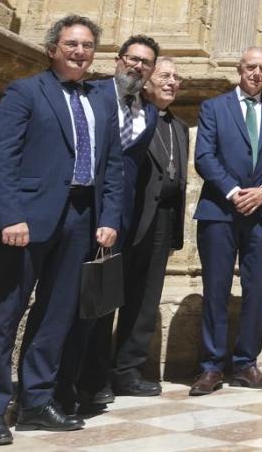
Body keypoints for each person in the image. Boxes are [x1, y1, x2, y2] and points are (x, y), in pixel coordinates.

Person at [0, 15, 122, 446]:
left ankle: (36, 401)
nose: (80, 52)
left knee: (56, 316)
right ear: (53, 48)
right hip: (27, 222)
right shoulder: (25, 91)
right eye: (72, 44)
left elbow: (112, 167)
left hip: (81, 220)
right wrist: (11, 216)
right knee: (4, 316)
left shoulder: (101, 101)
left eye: (88, 46)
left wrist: (109, 218)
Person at [57, 35, 160, 411]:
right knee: (66, 300)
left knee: (100, 300)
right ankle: (54, 385)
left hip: (116, 219)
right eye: (132, 59)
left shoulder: (146, 113)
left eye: (145, 63)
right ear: (118, 60)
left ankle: (90, 380)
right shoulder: (91, 93)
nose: (137, 67)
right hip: (81, 209)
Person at [189, 47, 262, 395]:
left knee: (258, 288)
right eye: (251, 67)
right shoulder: (214, 108)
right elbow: (204, 156)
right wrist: (235, 192)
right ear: (239, 69)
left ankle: (246, 362)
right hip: (220, 211)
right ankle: (211, 366)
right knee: (216, 288)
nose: (257, 74)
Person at [107, 56, 188, 397]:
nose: (172, 82)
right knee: (109, 294)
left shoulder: (180, 127)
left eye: (176, 78)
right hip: (131, 219)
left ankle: (129, 369)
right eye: (165, 76)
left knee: (145, 298)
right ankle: (94, 370)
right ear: (148, 81)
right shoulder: (134, 117)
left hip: (163, 220)